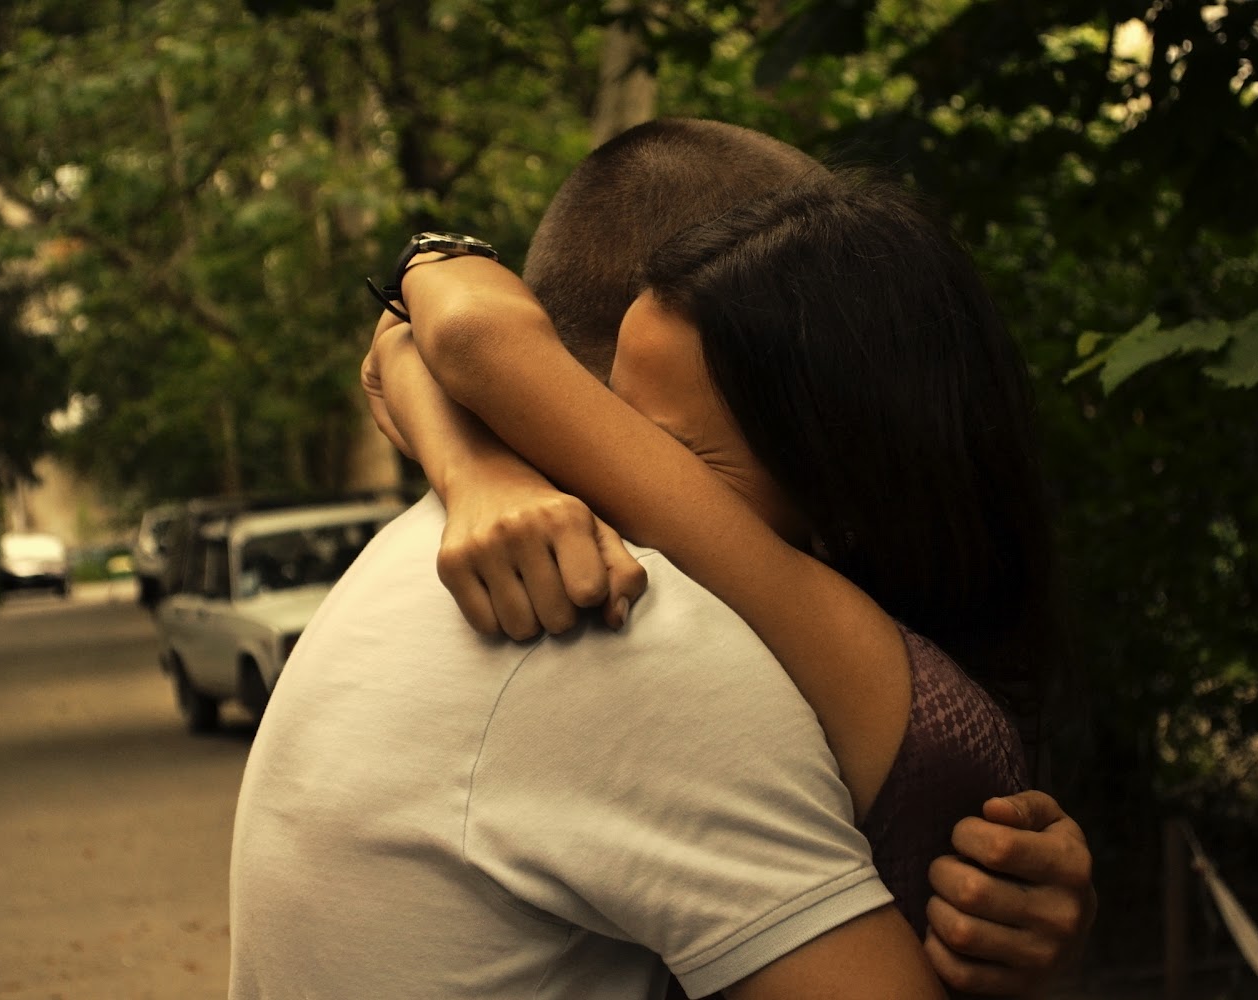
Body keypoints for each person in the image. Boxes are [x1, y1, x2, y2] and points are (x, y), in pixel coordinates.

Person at [229, 120, 1091, 999]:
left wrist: (469, 460)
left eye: (662, 448)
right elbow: (436, 348)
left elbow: (439, 345)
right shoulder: (631, 623)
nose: (620, 469)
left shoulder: (468, 565)